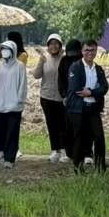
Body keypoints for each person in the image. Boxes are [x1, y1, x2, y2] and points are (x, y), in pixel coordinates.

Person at [66, 39, 109, 171]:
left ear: (96, 51)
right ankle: (78, 167)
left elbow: (104, 87)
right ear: (82, 51)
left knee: (99, 137)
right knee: (80, 137)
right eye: (87, 50)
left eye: (92, 50)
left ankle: (101, 167)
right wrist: (95, 92)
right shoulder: (75, 67)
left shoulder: (98, 69)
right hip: (78, 109)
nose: (90, 53)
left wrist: (90, 92)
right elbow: (76, 89)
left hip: (93, 108)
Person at [0, 41, 27, 166]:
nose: (5, 51)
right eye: (2, 49)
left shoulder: (20, 66)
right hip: (0, 105)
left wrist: (19, 99)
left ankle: (9, 158)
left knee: (12, 132)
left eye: (7, 49)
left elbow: (23, 84)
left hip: (14, 105)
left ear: (13, 51)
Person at [32, 33, 69, 162]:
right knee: (51, 124)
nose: (54, 46)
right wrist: (41, 60)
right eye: (51, 44)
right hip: (46, 96)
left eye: (56, 43)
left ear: (60, 45)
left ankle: (65, 150)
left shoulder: (65, 59)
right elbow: (36, 75)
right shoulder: (45, 58)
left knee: (62, 124)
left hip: (61, 97)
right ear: (48, 46)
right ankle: (55, 150)